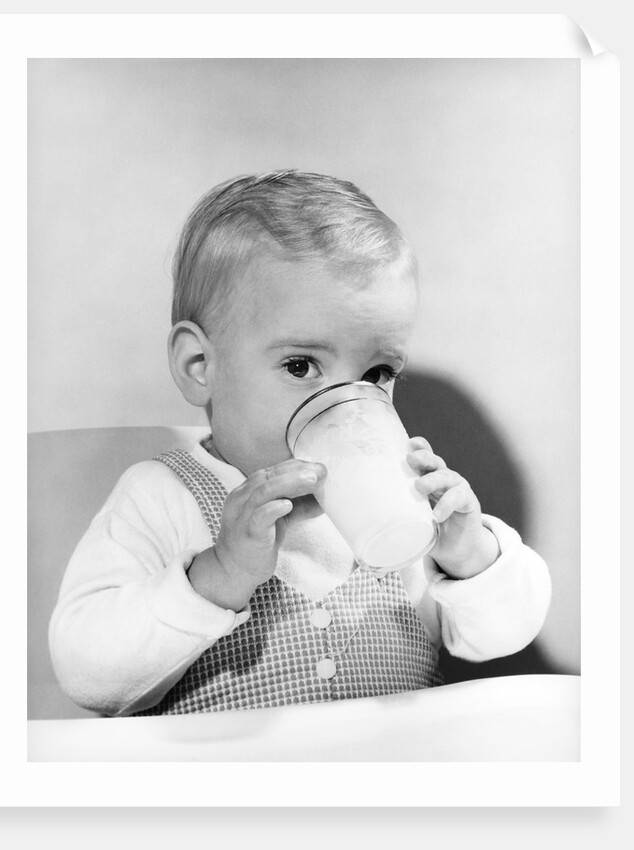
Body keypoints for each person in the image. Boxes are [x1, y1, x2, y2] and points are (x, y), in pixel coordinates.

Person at [49, 170, 551, 717]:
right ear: (200, 367)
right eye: (301, 365)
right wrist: (218, 575)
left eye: (378, 372)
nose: (344, 403)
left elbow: (505, 634)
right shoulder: (162, 496)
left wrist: (469, 555)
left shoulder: (397, 500)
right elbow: (86, 671)